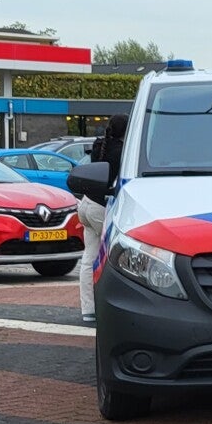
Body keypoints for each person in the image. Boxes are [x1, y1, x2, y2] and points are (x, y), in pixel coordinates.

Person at [79, 115, 127, 324]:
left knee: (89, 257)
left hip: (86, 203)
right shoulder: (121, 152)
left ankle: (88, 309)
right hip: (101, 207)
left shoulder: (99, 146)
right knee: (116, 255)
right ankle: (114, 305)